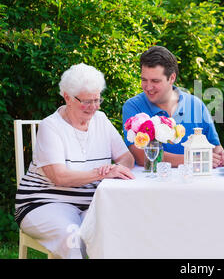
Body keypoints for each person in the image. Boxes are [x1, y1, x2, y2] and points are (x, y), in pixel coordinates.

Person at [15, 63, 135, 259]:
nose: (94, 107)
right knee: (72, 236)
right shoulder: (50, 127)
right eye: (87, 101)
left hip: (91, 203)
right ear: (67, 97)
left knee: (116, 230)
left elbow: (126, 157)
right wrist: (102, 172)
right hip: (44, 202)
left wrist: (118, 169)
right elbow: (60, 177)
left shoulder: (101, 120)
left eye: (97, 100)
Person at [122, 45, 224, 168]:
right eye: (144, 80)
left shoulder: (196, 105)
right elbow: (140, 156)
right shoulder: (133, 106)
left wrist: (221, 156)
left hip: (192, 184)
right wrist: (191, 159)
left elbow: (215, 148)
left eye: (155, 81)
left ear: (172, 78)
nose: (148, 87)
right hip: (150, 184)